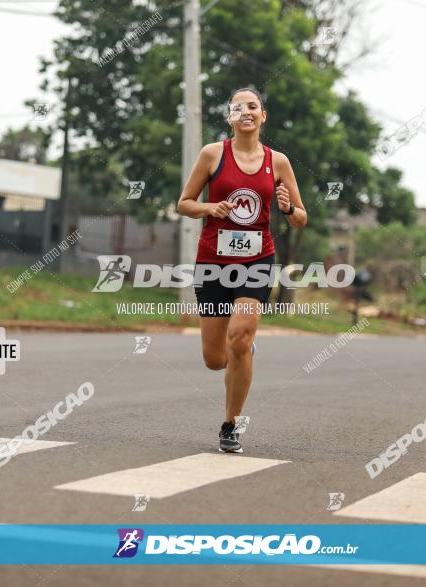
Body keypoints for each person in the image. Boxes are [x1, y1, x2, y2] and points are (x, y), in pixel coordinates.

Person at [177, 87, 307, 453]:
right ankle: (243, 348)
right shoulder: (212, 155)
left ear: (263, 116)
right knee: (215, 359)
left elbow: (301, 218)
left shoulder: (277, 162)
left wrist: (286, 208)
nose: (246, 112)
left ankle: (231, 423)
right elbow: (184, 203)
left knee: (240, 339)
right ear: (230, 118)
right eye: (238, 107)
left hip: (256, 261)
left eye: (253, 106)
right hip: (213, 262)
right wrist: (210, 209)